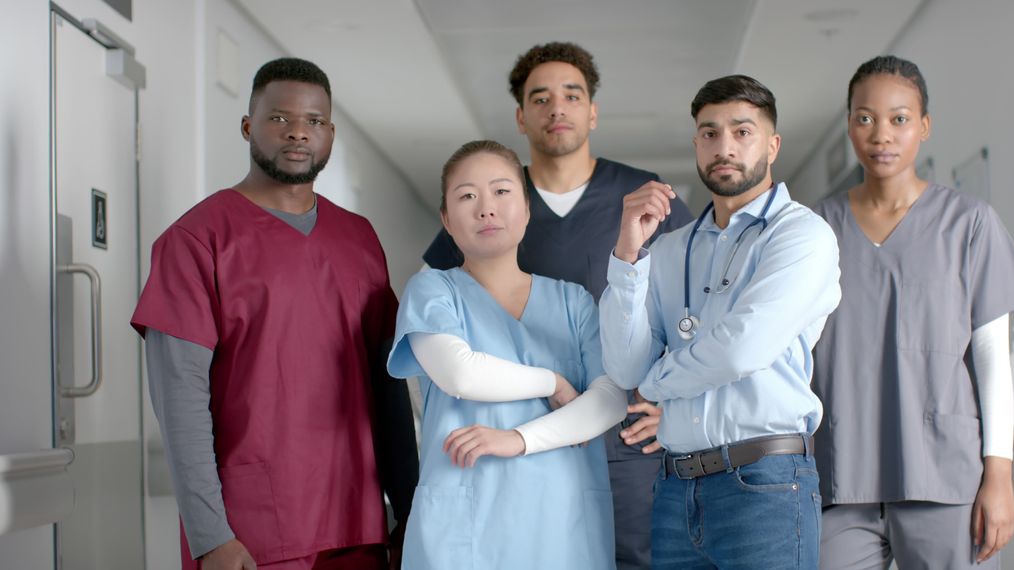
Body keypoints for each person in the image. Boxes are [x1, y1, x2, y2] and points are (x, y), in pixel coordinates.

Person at [131, 58, 418, 570]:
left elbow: (387, 384)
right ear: (247, 126)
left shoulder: (359, 239)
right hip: (253, 532)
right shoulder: (198, 240)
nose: (298, 133)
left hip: (359, 521)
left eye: (314, 121)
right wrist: (210, 536)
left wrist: (412, 506)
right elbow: (180, 402)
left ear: (330, 133)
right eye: (280, 118)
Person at [423, 42, 692, 569]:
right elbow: (442, 307)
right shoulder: (494, 202)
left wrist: (679, 409)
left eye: (572, 95)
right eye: (540, 98)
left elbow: (694, 314)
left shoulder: (646, 199)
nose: (557, 108)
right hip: (520, 439)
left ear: (592, 111)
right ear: (521, 117)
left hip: (629, 438)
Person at [599, 74, 841, 569]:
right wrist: (628, 253)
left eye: (742, 131)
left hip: (766, 485)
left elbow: (741, 350)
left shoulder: (801, 235)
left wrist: (656, 384)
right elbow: (625, 368)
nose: (724, 146)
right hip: (674, 489)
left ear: (772, 145)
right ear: (695, 144)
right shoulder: (668, 248)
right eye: (710, 133)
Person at [812, 55, 1014, 570]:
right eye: (865, 118)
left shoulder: (969, 224)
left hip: (946, 476)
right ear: (850, 124)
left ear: (924, 127)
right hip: (838, 478)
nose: (881, 135)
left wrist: (998, 476)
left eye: (899, 119)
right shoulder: (814, 229)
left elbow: (991, 360)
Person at [388, 140, 628, 570]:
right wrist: (552, 382)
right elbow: (460, 375)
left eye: (501, 191)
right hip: (466, 526)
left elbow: (609, 399)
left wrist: (517, 440)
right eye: (466, 196)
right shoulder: (432, 291)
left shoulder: (573, 303)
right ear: (445, 218)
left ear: (527, 206)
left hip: (562, 520)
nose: (486, 208)